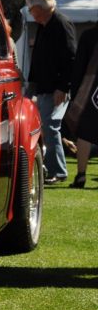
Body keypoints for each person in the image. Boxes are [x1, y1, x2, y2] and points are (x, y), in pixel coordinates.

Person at [25, 0, 77, 185]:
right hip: (44, 85)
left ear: (40, 8)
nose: (30, 13)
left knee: (50, 126)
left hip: (56, 87)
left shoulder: (61, 24)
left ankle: (57, 171)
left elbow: (71, 57)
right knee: (46, 127)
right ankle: (53, 169)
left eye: (32, 9)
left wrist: (63, 87)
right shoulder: (45, 25)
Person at [64, 22, 98, 188]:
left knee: (85, 133)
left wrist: (75, 93)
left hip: (88, 91)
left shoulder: (88, 35)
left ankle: (81, 176)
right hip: (90, 91)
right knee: (84, 134)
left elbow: (79, 66)